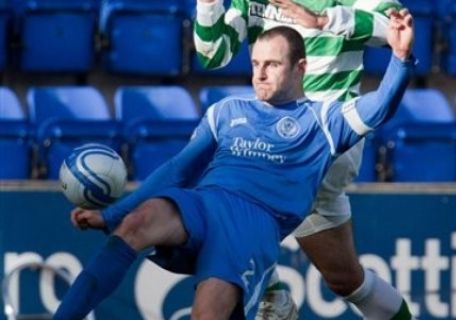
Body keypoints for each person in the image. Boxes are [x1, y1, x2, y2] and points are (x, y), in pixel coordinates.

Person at [53, 10, 414, 320]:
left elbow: (380, 106)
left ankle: (272, 296)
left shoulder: (324, 120)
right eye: (255, 64)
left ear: (300, 68)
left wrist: (399, 57)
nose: (259, 74)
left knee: (206, 314)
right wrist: (112, 214)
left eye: (272, 64)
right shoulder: (226, 111)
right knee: (136, 223)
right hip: (205, 204)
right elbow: (178, 170)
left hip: (251, 225)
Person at [194, 0, 415, 319]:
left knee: (222, 195)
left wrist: (325, 20)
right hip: (275, 136)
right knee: (346, 280)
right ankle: (270, 290)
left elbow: (394, 28)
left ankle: (268, 291)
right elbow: (214, 55)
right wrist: (208, 5)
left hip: (330, 140)